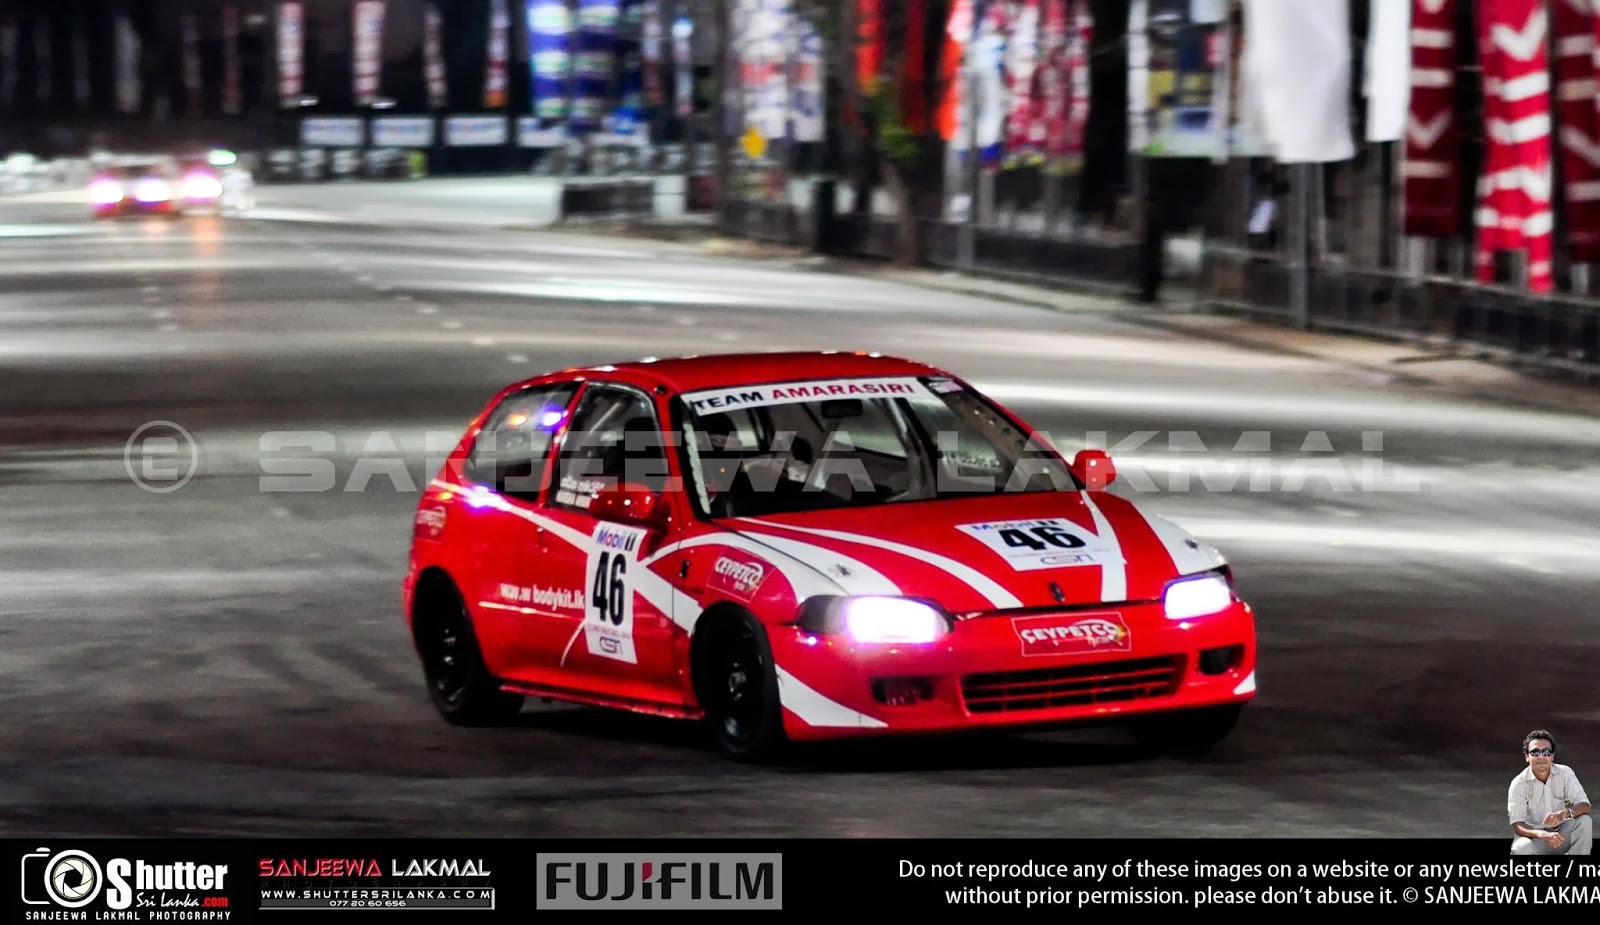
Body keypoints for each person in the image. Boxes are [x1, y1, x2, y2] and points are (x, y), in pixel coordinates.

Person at [1508, 729, 1591, 855]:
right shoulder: (1518, 784)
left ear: (1552, 756)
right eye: (1535, 752)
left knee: (1585, 821)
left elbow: (1585, 805)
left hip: (1561, 836)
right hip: (1535, 838)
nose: (1541, 757)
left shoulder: (1565, 773)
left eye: (1546, 752)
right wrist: (1542, 834)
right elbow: (1517, 825)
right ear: (1527, 757)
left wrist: (1565, 813)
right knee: (1521, 848)